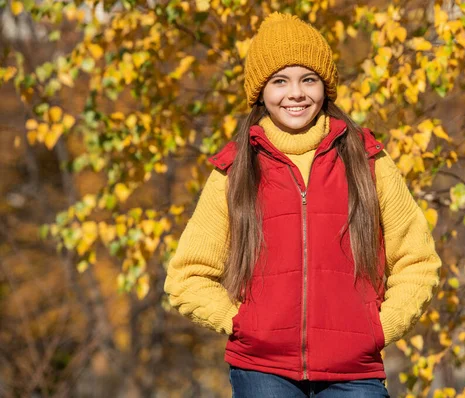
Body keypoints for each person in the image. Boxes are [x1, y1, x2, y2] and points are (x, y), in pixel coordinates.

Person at [164, 11, 442, 398]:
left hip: (354, 370)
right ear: (260, 92)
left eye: (308, 79)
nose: (295, 93)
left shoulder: (367, 161)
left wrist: (379, 327)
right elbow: (187, 277)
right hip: (262, 369)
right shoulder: (235, 170)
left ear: (325, 87)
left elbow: (418, 260)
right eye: (280, 81)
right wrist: (243, 322)